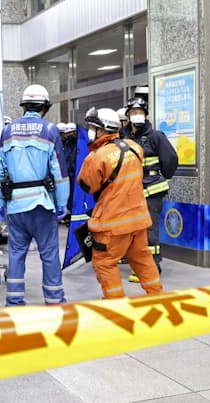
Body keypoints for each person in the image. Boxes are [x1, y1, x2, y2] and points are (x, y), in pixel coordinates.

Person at [0, 84, 69, 306]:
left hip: (14, 205)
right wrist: (62, 202)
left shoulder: (7, 131)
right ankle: (54, 299)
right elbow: (59, 171)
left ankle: (14, 302)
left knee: (16, 253)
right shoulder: (49, 130)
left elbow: (0, 171)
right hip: (41, 204)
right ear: (44, 107)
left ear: (24, 106)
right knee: (49, 254)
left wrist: (0, 202)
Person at [77, 107, 163, 298]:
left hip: (112, 224)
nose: (91, 131)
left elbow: (87, 186)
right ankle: (157, 296)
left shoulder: (96, 157)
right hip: (138, 219)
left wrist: (90, 159)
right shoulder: (135, 148)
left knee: (104, 263)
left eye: (93, 127)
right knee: (142, 258)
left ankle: (116, 304)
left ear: (103, 129)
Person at [121, 97, 178, 281]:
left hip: (152, 190)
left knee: (149, 229)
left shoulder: (156, 136)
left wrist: (163, 176)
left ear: (146, 114)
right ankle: (137, 263)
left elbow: (170, 160)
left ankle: (152, 267)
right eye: (133, 112)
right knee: (133, 229)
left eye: (140, 112)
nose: (136, 115)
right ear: (128, 115)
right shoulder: (123, 136)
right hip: (130, 190)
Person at [60, 122, 78, 224]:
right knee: (69, 195)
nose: (68, 135)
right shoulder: (67, 144)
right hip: (69, 174)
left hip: (75, 173)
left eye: (71, 133)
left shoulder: (77, 144)